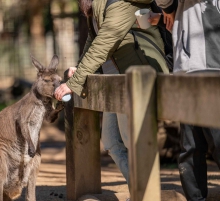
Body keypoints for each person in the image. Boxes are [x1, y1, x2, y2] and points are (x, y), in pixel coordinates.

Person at [54, 0, 169, 196]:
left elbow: (104, 43)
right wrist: (80, 69)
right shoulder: (96, 9)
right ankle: (140, 191)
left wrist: (73, 84)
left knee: (128, 139)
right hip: (112, 80)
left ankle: (147, 193)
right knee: (111, 141)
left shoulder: (118, 3)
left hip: (132, 77)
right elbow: (93, 40)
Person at [151, 1, 220, 200]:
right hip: (186, 69)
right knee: (190, 147)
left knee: (216, 140)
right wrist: (167, 10)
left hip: (211, 67)